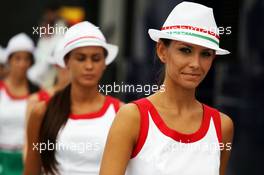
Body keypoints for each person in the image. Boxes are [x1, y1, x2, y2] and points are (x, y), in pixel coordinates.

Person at [100, 2, 234, 175]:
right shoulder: (132, 118)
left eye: (206, 54)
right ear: (162, 51)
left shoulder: (222, 126)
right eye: (185, 50)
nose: (195, 64)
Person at [24, 21, 122, 175]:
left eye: (96, 58)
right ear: (66, 62)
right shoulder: (42, 112)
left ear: (105, 63)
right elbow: (31, 171)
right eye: (81, 58)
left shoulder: (121, 113)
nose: (89, 66)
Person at [23, 39, 70, 162]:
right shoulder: (36, 100)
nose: (66, 69)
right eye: (61, 64)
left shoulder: (86, 101)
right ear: (55, 65)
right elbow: (29, 144)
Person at [0, 33, 39, 175]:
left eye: (26, 59)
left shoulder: (38, 93)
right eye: (17, 58)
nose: (22, 64)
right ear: (9, 60)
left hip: (26, 160)